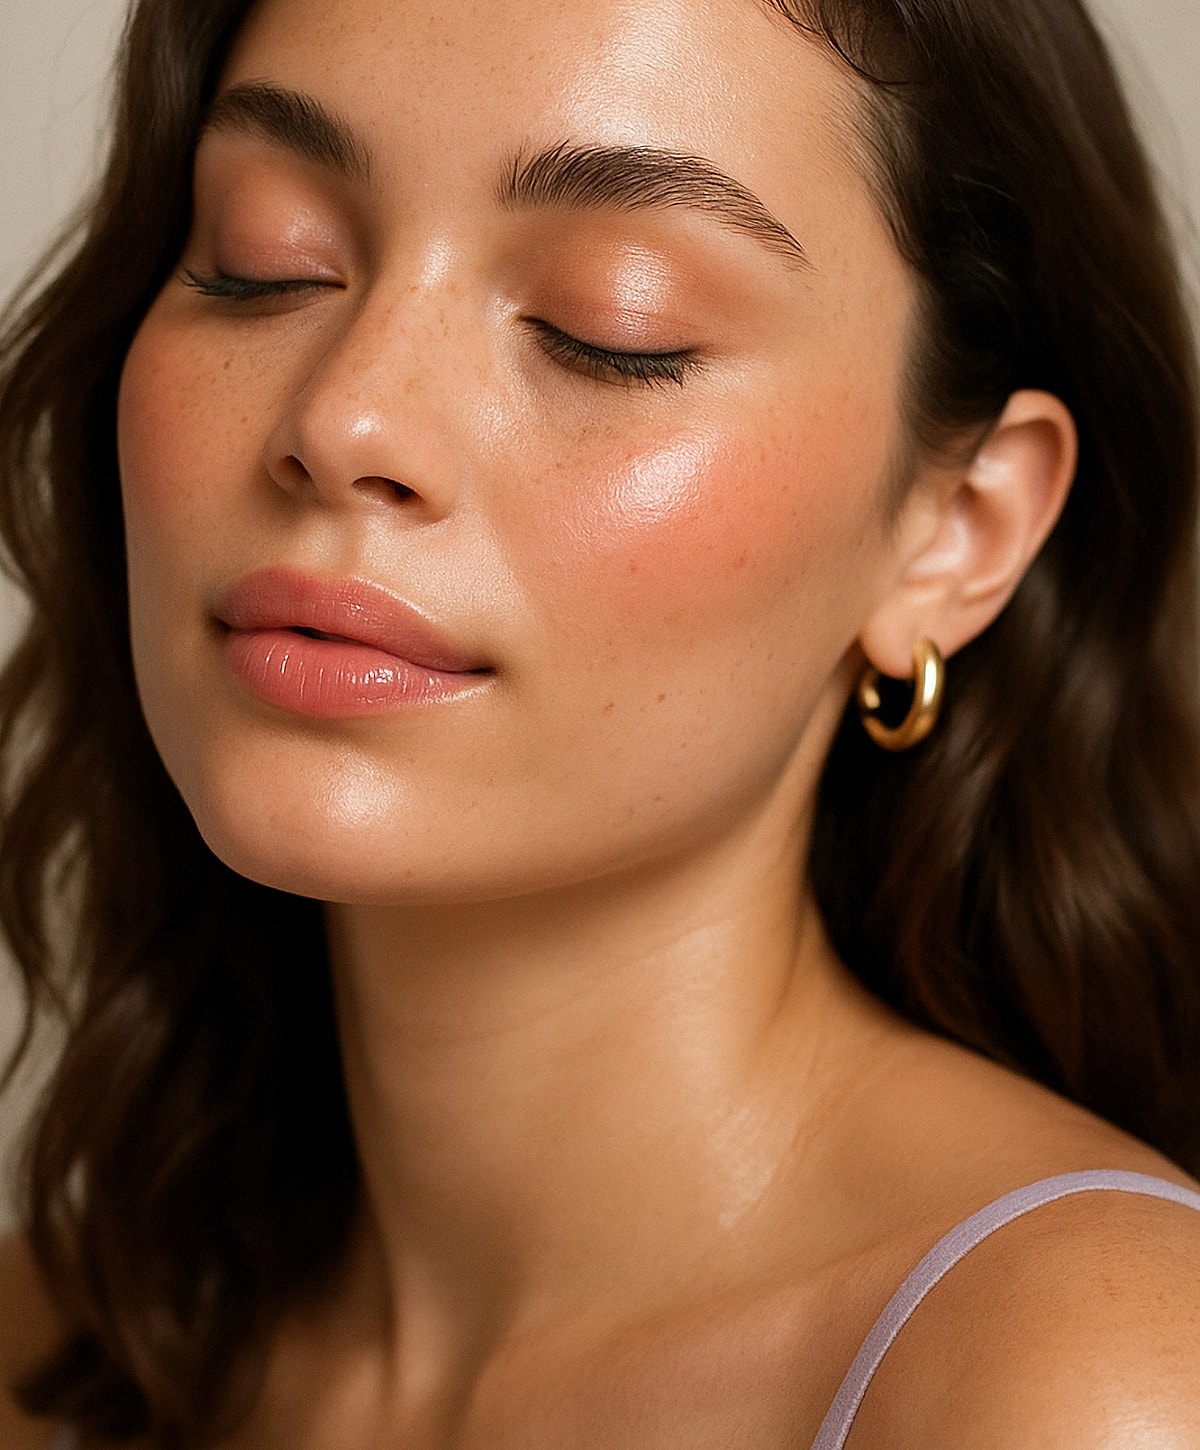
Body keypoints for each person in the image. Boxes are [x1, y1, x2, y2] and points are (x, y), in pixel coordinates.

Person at [2, 0, 1200, 1444]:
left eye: (607, 328)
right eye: (268, 262)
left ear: (956, 527)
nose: (347, 416)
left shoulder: (1082, 1382)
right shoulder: (48, 1343)